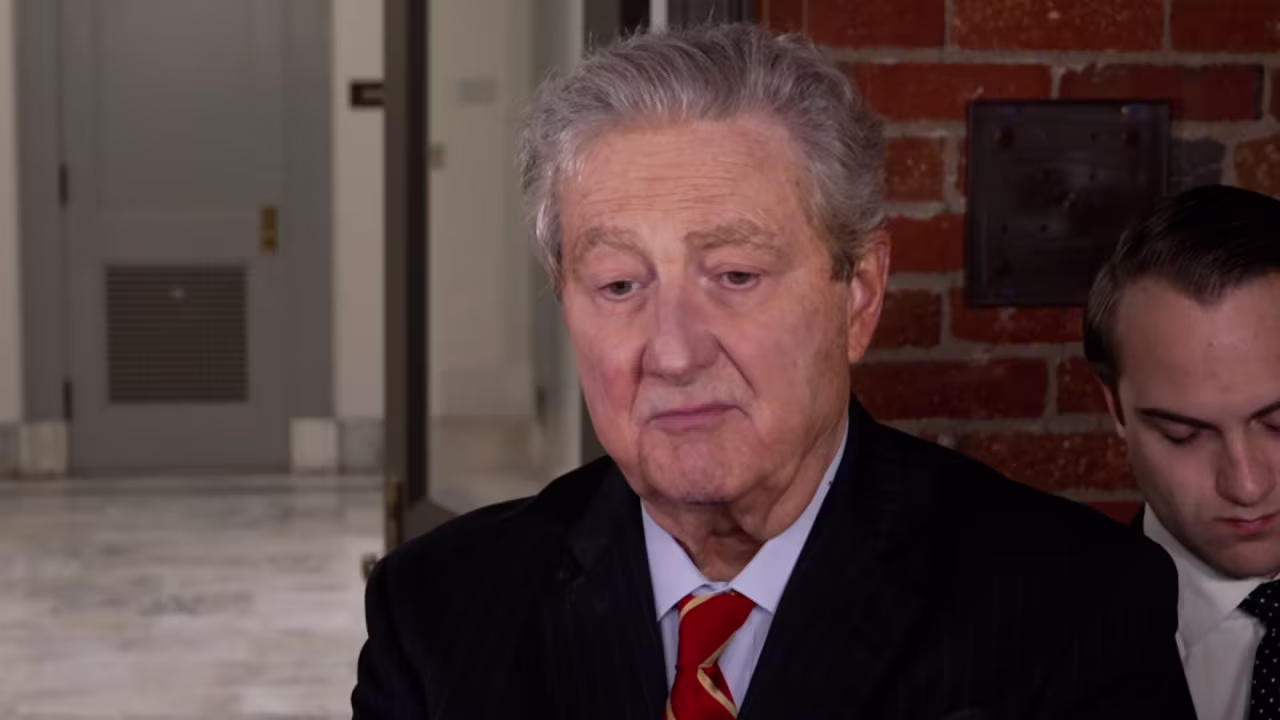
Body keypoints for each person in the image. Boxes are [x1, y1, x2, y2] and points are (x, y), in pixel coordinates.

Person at [352, 23, 1192, 719]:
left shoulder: (1071, 607)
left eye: (736, 277)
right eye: (618, 284)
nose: (674, 352)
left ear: (857, 293)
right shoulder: (436, 611)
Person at [1084, 184, 1280, 720]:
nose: (1246, 485)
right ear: (1117, 411)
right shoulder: (1017, 647)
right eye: (1183, 434)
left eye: (1279, 423)